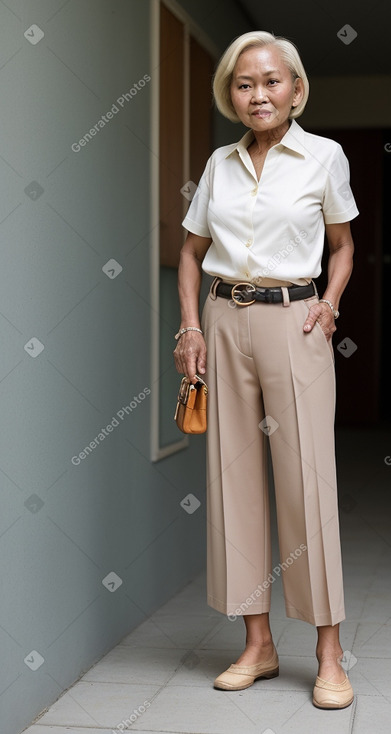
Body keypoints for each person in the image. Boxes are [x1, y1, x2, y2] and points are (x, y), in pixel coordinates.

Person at [173, 30, 359, 709]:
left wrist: (330, 304)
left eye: (271, 80)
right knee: (234, 481)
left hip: (295, 321)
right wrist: (190, 326)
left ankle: (329, 653)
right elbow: (191, 254)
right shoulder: (219, 165)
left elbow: (342, 246)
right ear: (231, 94)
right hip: (223, 323)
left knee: (305, 481)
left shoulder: (324, 157)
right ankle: (256, 644)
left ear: (295, 88)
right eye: (244, 83)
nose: (259, 93)